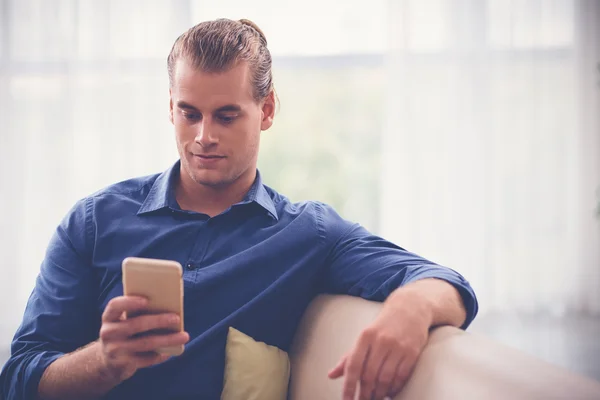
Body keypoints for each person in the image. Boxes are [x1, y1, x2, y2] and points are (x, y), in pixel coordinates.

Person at [0, 18, 478, 400]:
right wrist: (105, 361)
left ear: (266, 111)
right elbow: (19, 376)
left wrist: (409, 309)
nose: (203, 135)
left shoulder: (308, 233)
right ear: (170, 107)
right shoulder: (94, 221)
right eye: (189, 113)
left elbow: (445, 284)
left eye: (226, 116)